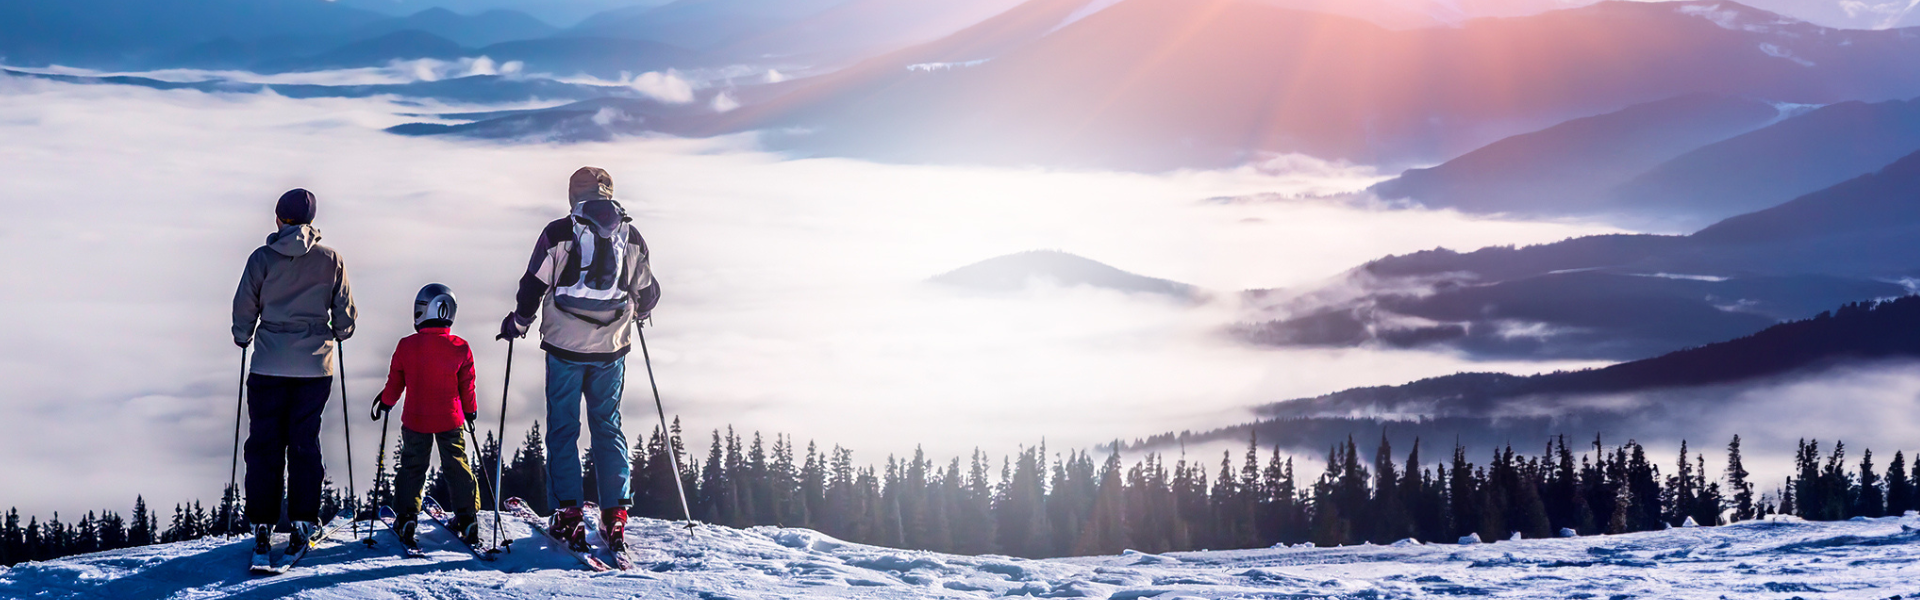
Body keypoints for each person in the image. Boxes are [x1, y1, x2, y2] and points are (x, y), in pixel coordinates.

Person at [498, 166, 660, 552]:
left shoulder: (558, 232)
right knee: (608, 426)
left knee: (563, 428)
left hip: (564, 347)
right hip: (612, 348)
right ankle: (616, 515)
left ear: (574, 195)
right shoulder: (631, 234)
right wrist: (637, 311)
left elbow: (533, 285)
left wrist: (518, 323)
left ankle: (568, 514)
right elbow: (648, 292)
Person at [231, 188, 357, 566]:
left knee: (264, 444)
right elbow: (345, 316)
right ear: (311, 220)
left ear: (278, 219)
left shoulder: (261, 259)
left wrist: (243, 336)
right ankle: (303, 522)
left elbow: (244, 307)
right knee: (304, 443)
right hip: (314, 368)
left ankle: (263, 524)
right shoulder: (330, 259)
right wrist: (337, 332)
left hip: (268, 364)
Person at [371, 283, 481, 546]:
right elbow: (467, 385)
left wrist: (386, 403)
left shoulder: (407, 345)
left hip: (416, 418)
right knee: (457, 465)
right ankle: (467, 517)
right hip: (450, 418)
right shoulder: (460, 347)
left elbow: (395, 382)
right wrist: (471, 411)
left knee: (412, 466)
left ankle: (407, 517)